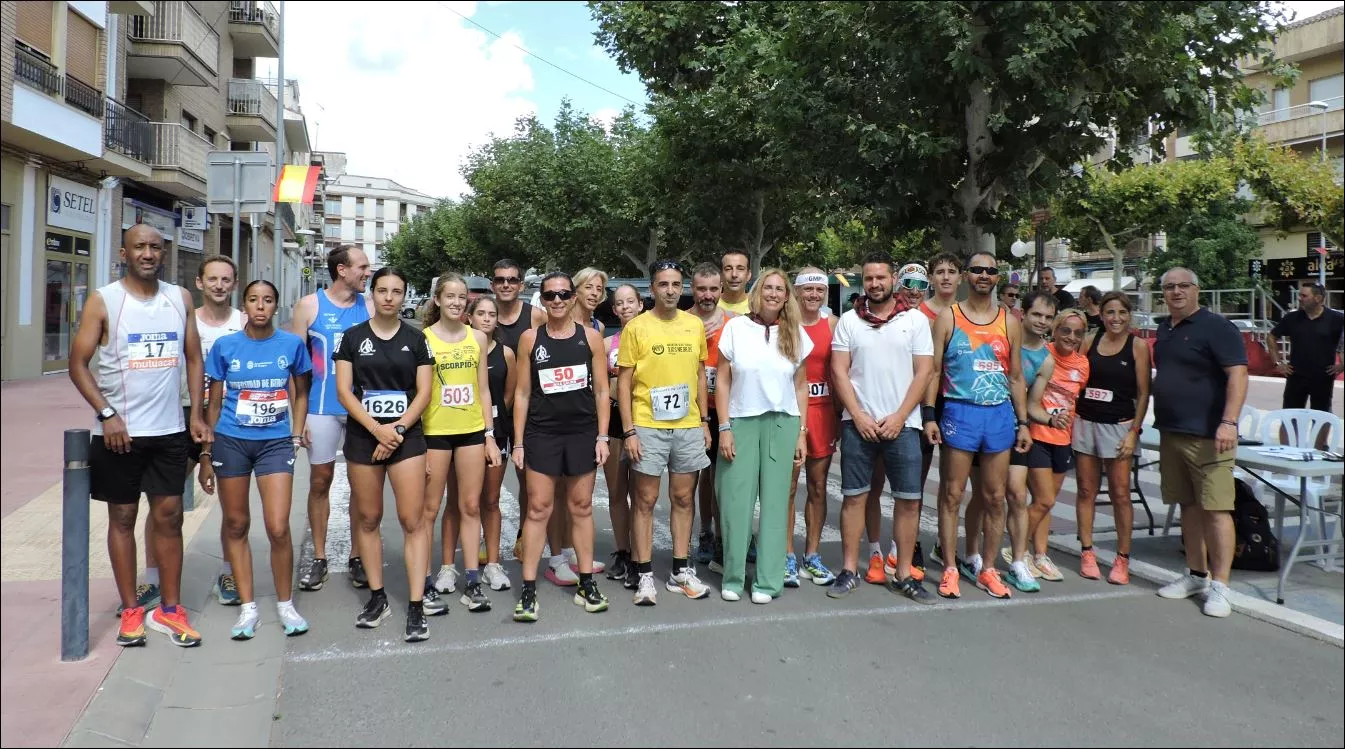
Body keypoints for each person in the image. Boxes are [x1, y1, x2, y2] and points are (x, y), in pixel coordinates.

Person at [68, 223, 210, 647]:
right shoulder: (104, 301)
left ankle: (170, 610)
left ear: (163, 253)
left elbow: (194, 357)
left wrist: (197, 416)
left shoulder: (179, 298)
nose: (148, 254)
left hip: (168, 430)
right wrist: (107, 414)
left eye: (155, 247)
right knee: (124, 519)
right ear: (124, 253)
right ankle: (132, 609)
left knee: (169, 518)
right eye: (139, 247)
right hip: (119, 434)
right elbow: (78, 364)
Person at [197, 280, 312, 639]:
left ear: (275, 306)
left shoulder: (291, 345)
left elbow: (301, 393)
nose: (260, 306)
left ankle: (284, 603)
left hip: (275, 443)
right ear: (243, 305)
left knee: (278, 526)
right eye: (253, 300)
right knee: (236, 523)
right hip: (231, 441)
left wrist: (296, 434)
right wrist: (205, 453)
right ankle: (248, 608)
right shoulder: (225, 346)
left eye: (267, 301)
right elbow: (212, 403)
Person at [334, 267, 435, 641]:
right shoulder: (351, 338)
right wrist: (377, 430)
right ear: (371, 295)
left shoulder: (416, 339)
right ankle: (377, 597)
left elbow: (423, 393)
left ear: (405, 296)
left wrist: (396, 430)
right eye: (382, 290)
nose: (389, 297)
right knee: (369, 519)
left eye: (397, 291)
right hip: (365, 437)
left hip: (405, 437)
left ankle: (415, 604)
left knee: (412, 520)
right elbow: (345, 392)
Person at [828, 253, 935, 603]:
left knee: (907, 501)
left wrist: (901, 416)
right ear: (863, 281)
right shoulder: (848, 321)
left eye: (881, 278)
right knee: (854, 497)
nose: (875, 284)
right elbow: (839, 371)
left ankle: (903, 573)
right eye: (869, 278)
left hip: (903, 425)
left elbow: (924, 372)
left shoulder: (915, 321)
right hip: (858, 425)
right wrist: (857, 415)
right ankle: (848, 570)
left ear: (893, 280)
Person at [925, 251, 1032, 601]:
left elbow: (1015, 376)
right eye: (977, 270)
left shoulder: (1009, 321)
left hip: (998, 414)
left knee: (995, 496)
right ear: (966, 276)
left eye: (990, 270)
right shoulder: (948, 317)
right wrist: (929, 414)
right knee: (952, 494)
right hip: (960, 411)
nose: (983, 275)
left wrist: (1024, 422)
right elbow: (935, 371)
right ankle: (951, 568)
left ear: (997, 277)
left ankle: (988, 568)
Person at [511, 272, 611, 621]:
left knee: (581, 506)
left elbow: (601, 391)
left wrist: (602, 437)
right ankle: (528, 589)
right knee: (539, 508)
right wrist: (519, 442)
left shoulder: (592, 338)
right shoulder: (529, 339)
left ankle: (586, 581)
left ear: (573, 299)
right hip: (542, 433)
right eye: (550, 295)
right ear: (543, 298)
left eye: (563, 295)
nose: (556, 301)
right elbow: (522, 393)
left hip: (582, 433)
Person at [1151, 268, 1248, 618]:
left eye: (1183, 286)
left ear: (1197, 289)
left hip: (1210, 436)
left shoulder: (1217, 327)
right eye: (1169, 287)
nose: (1176, 292)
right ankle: (1195, 575)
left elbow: (1237, 373)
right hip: (1172, 432)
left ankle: (1221, 586)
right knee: (1188, 506)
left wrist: (1229, 422)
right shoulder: (1165, 329)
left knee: (1217, 509)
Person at [618, 260, 714, 605]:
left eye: (676, 284)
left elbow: (701, 375)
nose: (670, 290)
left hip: (688, 426)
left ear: (681, 287)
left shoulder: (693, 325)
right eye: (663, 284)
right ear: (652, 288)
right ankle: (644, 575)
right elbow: (625, 380)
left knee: (684, 499)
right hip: (647, 425)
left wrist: (704, 420)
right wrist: (628, 431)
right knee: (643, 500)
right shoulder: (637, 327)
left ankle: (680, 570)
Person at [714, 269, 810, 602]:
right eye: (767, 287)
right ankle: (733, 576)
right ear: (757, 292)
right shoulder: (736, 328)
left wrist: (801, 433)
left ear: (787, 296)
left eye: (779, 289)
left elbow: (801, 386)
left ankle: (768, 582)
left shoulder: (795, 332)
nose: (772, 294)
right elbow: (723, 381)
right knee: (735, 500)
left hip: (783, 423)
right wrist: (724, 426)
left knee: (774, 503)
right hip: (741, 421)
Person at [289, 245, 373, 592]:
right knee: (321, 481)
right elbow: (295, 368)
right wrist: (299, 418)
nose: (368, 272)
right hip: (321, 409)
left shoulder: (368, 307)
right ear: (342, 270)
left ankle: (356, 556)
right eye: (363, 267)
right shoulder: (309, 306)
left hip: (360, 410)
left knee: (361, 485)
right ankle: (320, 557)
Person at [421, 274, 503, 614]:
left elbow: (483, 389)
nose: (456, 302)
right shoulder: (422, 338)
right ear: (438, 300)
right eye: (449, 296)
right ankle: (424, 583)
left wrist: (489, 435)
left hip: (471, 431)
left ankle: (472, 581)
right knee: (429, 510)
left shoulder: (478, 338)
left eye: (461, 297)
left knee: (471, 506)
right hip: (434, 433)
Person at [537, 267, 611, 586]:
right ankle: (557, 556)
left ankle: (571, 552)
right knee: (553, 497)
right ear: (576, 290)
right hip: (549, 426)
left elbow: (600, 385)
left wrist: (601, 433)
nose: (594, 294)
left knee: (578, 500)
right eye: (588, 288)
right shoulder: (547, 324)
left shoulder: (597, 328)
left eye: (599, 289)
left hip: (583, 423)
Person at [1072, 291, 1151, 585]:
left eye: (1121, 313)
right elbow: (1074, 377)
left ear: (1129, 315)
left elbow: (1144, 393)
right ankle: (1087, 552)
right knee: (1085, 491)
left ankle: (1122, 558)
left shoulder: (1138, 346)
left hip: (1119, 426)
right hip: (1085, 422)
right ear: (1101, 315)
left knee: (1120, 494)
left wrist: (1134, 432)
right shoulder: (1091, 341)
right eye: (1110, 313)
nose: (1116, 318)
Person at [194, 256, 248, 607]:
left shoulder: (243, 322)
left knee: (232, 509)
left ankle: (230, 571)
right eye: (212, 279)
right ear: (200, 283)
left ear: (234, 283)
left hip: (228, 420)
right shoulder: (186, 322)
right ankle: (152, 579)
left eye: (225, 279)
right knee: (164, 505)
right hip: (185, 414)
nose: (218, 285)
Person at [992, 290, 1055, 592]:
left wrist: (1045, 420)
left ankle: (1018, 560)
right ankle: (974, 557)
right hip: (985, 418)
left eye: (1047, 317)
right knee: (985, 495)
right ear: (1023, 313)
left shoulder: (1046, 360)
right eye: (1037, 315)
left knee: (1017, 495)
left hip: (1015, 425)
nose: (1042, 321)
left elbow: (1032, 402)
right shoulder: (1003, 336)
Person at [1023, 310, 1090, 584]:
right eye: (1065, 330)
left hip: (1063, 439)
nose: (1070, 337)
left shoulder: (1083, 365)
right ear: (1055, 329)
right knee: (1044, 499)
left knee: (1045, 504)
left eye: (1077, 333)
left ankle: (1039, 555)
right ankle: (1016, 548)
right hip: (1038, 434)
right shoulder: (1042, 353)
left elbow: (1076, 398)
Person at [786, 268, 840, 586]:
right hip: (792, 414)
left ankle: (813, 555)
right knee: (788, 489)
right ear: (796, 292)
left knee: (818, 487)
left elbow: (842, 371)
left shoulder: (832, 325)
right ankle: (787, 555)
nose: (814, 295)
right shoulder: (785, 325)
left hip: (823, 414)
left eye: (820, 290)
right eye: (808, 290)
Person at [490, 258, 546, 557]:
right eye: (500, 280)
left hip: (528, 410)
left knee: (528, 481)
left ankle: (525, 535)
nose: (506, 285)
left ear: (521, 285)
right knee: (490, 484)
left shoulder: (536, 316)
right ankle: (489, 541)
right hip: (493, 414)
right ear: (492, 285)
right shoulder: (483, 316)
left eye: (512, 280)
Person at [687, 263, 734, 570]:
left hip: (725, 411)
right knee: (695, 479)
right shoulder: (682, 321)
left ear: (721, 290)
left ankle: (725, 537)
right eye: (701, 289)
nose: (707, 295)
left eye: (713, 289)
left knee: (722, 477)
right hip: (691, 413)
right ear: (693, 289)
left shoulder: (735, 324)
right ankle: (704, 532)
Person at [472, 295, 516, 591]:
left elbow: (509, 394)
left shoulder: (507, 353)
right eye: (481, 313)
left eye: (492, 314)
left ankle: (493, 561)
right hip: (462, 432)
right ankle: (466, 563)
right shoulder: (459, 347)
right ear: (470, 317)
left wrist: (494, 420)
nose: (487, 319)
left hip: (496, 432)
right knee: (465, 501)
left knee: (490, 499)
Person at [602, 284, 643, 586]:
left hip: (645, 420)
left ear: (641, 305)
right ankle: (622, 551)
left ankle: (642, 556)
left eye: (631, 301)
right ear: (614, 310)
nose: (626, 306)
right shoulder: (606, 344)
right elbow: (600, 387)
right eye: (620, 303)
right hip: (615, 421)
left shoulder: (653, 335)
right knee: (617, 492)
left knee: (643, 494)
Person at [1269, 282, 1344, 414]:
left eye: (1304, 296)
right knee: (1288, 416)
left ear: (1318, 298)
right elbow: (1271, 337)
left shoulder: (1336, 319)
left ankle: (1317, 436)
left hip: (1323, 378)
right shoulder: (1292, 318)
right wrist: (1278, 363)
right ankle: (1292, 436)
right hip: (1295, 376)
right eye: (1299, 295)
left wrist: (1342, 365)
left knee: (1322, 417)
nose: (1299, 298)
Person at [719, 250, 753, 315]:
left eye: (740, 269)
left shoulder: (757, 306)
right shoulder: (710, 304)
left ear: (748, 275)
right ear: (721, 275)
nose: (734, 274)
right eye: (728, 269)